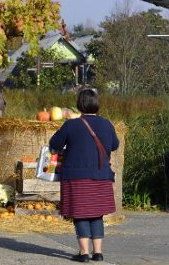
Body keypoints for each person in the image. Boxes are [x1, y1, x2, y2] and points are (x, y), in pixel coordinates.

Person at [49, 89, 119, 263]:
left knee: (80, 214)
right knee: (97, 214)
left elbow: (54, 144)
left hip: (76, 176)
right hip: (101, 175)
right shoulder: (106, 124)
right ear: (97, 104)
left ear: (79, 104)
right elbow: (115, 145)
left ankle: (84, 253)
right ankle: (98, 253)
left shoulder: (71, 125)